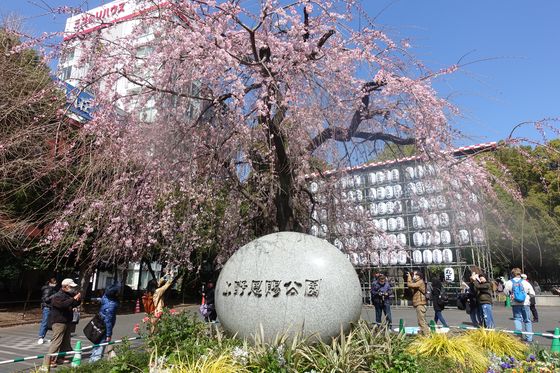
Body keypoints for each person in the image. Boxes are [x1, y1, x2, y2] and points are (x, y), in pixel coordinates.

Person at [42, 278, 81, 369]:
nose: (73, 288)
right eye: (71, 287)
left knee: (65, 341)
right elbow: (62, 305)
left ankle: (60, 357)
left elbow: (74, 304)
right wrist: (73, 299)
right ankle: (50, 359)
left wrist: (78, 299)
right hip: (59, 321)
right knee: (57, 341)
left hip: (67, 320)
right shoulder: (57, 295)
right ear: (65, 286)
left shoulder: (69, 294)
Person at [90, 283, 121, 362]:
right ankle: (94, 363)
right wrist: (108, 334)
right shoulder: (111, 305)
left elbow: (101, 299)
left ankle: (93, 359)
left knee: (97, 342)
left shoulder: (105, 297)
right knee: (101, 345)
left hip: (99, 322)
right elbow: (108, 321)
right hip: (104, 326)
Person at [504, 268, 536, 343]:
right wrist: (527, 296)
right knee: (527, 320)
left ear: (512, 274)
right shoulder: (525, 282)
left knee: (517, 319)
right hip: (525, 304)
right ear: (520, 273)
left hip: (515, 304)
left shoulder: (509, 282)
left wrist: (511, 294)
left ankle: (519, 337)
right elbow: (532, 293)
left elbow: (506, 293)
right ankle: (529, 338)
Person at [407, 270, 429, 335]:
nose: (414, 276)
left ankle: (427, 335)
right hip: (419, 303)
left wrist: (409, 277)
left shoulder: (420, 282)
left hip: (420, 304)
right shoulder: (418, 282)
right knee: (420, 321)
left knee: (422, 321)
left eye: (416, 275)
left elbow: (409, 285)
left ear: (419, 276)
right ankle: (422, 335)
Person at [38, 277, 57, 345]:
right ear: (50, 283)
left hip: (51, 307)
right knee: (45, 322)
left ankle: (48, 337)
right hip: (47, 307)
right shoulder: (48, 289)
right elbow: (46, 299)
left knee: (51, 323)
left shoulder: (52, 289)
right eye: (54, 283)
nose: (55, 284)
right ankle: (41, 337)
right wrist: (54, 296)